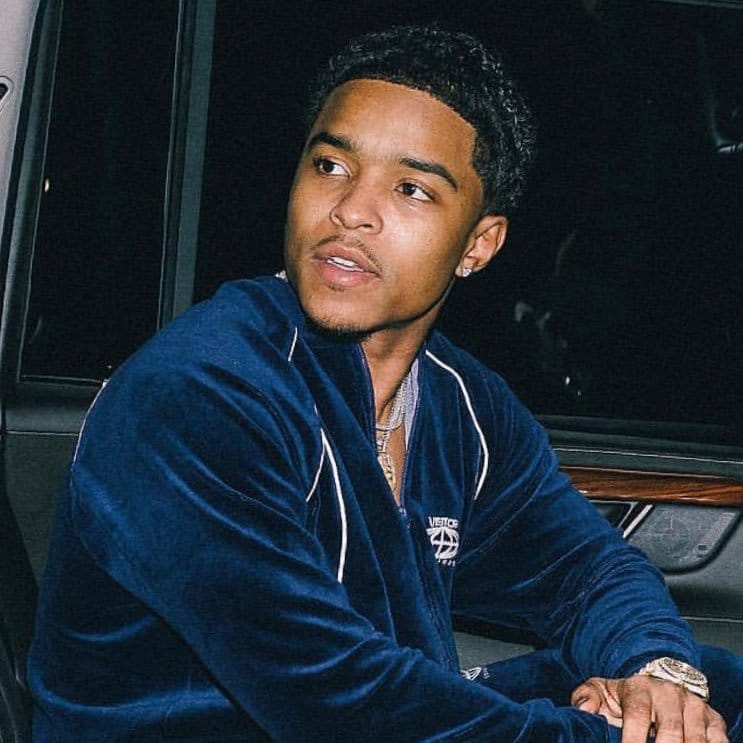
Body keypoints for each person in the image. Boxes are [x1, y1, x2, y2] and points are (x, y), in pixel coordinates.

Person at [28, 25, 742, 742]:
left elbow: (583, 567)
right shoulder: (198, 396)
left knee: (707, 685)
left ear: (477, 244)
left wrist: (659, 676)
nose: (350, 210)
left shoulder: (462, 403)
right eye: (330, 166)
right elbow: (336, 699)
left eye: (410, 188)